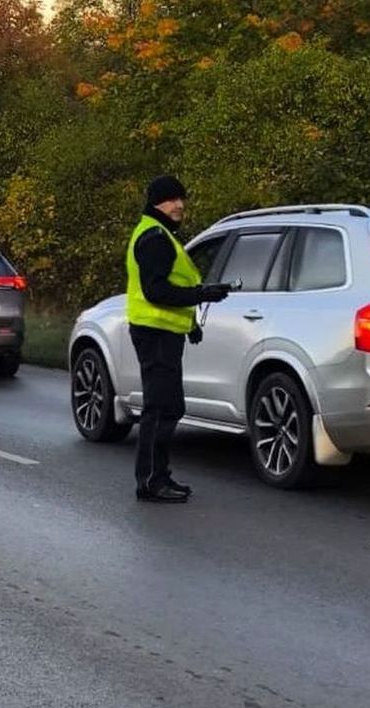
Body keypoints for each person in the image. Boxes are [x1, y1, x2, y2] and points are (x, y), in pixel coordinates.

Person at [126, 175, 230, 504]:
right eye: (172, 199)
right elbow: (156, 290)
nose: (179, 205)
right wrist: (202, 294)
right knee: (161, 408)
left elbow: (165, 289)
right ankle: (152, 482)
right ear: (157, 202)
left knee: (166, 406)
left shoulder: (160, 234)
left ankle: (158, 476)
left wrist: (190, 324)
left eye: (181, 199)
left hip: (163, 332)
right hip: (155, 333)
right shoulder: (155, 237)